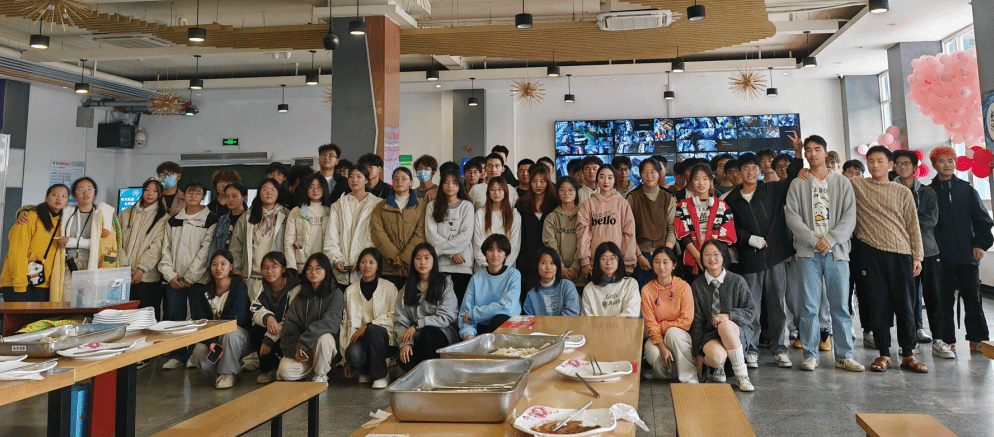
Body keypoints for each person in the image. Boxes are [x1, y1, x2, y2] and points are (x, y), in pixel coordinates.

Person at [784, 135, 864, 373]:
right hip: (807, 253)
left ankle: (844, 355)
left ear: (825, 153)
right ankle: (810, 355)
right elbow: (792, 217)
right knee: (808, 306)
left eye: (817, 149)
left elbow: (849, 217)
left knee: (840, 306)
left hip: (837, 253)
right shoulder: (798, 183)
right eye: (808, 150)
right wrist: (813, 240)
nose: (812, 154)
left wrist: (830, 239)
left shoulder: (842, 182)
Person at [725, 143, 804, 369]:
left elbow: (792, 178)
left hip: (775, 257)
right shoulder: (731, 199)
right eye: (745, 168)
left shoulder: (772, 190)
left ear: (760, 171)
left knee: (777, 304)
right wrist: (749, 238)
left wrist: (798, 153)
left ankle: (780, 349)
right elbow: (729, 228)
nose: (750, 172)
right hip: (749, 259)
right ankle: (751, 349)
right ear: (739, 172)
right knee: (752, 306)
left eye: (754, 168)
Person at [848, 146, 925, 373]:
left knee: (906, 305)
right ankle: (883, 353)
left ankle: (908, 354)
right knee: (877, 305)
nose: (875, 165)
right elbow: (829, 178)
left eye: (880, 161)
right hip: (870, 253)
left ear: (890, 164)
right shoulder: (857, 185)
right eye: (870, 161)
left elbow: (913, 225)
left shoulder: (902, 192)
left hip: (901, 253)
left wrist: (917, 256)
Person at [929, 146, 994, 356]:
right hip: (939, 256)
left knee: (973, 298)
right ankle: (946, 340)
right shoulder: (929, 192)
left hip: (967, 255)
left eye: (950, 160)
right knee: (943, 300)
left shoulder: (967, 190)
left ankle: (978, 339)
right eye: (941, 161)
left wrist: (980, 244)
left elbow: (983, 220)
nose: (947, 164)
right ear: (934, 165)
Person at [159, 182, 218, 370]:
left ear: (203, 197)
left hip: (199, 279)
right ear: (184, 195)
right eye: (190, 192)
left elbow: (206, 251)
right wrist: (170, 275)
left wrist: (191, 277)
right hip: (175, 280)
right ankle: (176, 355)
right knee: (174, 317)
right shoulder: (174, 220)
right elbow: (165, 249)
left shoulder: (211, 219)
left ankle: (193, 355)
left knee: (198, 317)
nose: (193, 196)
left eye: (198, 193)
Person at [690, 240, 755, 392]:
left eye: (716, 254)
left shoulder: (737, 281)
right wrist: (698, 353)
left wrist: (729, 315)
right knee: (716, 357)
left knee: (725, 326)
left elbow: (750, 311)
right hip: (711, 335)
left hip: (735, 331)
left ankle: (742, 376)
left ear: (723, 256)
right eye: (707, 254)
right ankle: (718, 366)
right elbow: (697, 321)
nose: (711, 258)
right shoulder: (697, 285)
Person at [893, 150, 941, 347]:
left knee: (933, 294)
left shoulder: (927, 192)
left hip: (927, 249)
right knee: (908, 295)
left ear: (914, 167)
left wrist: (908, 224)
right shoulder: (890, 190)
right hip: (902, 250)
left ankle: (939, 338)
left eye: (906, 163)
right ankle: (913, 331)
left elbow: (931, 220)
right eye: (898, 163)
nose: (902, 167)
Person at [277, 253, 345, 385]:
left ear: (327, 271)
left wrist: (303, 342)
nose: (313, 272)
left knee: (324, 337)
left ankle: (321, 374)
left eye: (318, 268)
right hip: (305, 349)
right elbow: (290, 326)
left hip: (326, 347)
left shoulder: (335, 293)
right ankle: (313, 370)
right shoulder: (300, 295)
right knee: (284, 371)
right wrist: (294, 351)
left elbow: (330, 323)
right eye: (309, 268)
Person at [188, 250, 252, 389]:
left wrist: (214, 338)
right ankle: (221, 372)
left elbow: (238, 318)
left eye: (223, 264)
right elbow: (199, 322)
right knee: (199, 351)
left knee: (229, 334)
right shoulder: (202, 293)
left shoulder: (239, 287)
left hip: (239, 337)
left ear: (231, 267)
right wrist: (212, 341)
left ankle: (227, 374)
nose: (218, 268)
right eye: (214, 264)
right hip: (212, 337)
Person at [57, 177, 124, 300]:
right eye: (81, 190)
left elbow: (102, 244)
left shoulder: (103, 216)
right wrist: (23, 213)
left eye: (90, 189)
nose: (86, 193)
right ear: (74, 194)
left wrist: (72, 242)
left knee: (88, 301)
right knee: (68, 300)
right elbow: (43, 209)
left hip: (92, 265)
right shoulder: (67, 212)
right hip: (70, 264)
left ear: (95, 193)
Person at [395, 243, 459, 371]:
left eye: (426, 258)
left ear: (434, 260)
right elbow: (400, 320)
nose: (422, 262)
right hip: (417, 337)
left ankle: (434, 374)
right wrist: (405, 344)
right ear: (413, 262)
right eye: (418, 258)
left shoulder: (445, 283)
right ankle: (426, 373)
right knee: (404, 359)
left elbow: (447, 315)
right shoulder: (407, 288)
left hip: (441, 334)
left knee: (428, 333)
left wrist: (417, 325)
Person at [340, 248, 399, 388]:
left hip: (384, 338)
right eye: (363, 262)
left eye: (371, 262)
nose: (367, 266)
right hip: (361, 339)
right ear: (358, 265)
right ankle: (365, 370)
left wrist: (368, 326)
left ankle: (381, 374)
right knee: (353, 354)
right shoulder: (350, 290)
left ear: (378, 266)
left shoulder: (389, 287)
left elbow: (395, 316)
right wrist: (345, 360)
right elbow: (345, 324)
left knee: (372, 331)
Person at [1, 184, 69, 302]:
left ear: (67, 201)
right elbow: (18, 252)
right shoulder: (29, 217)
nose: (59, 199)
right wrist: (20, 284)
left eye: (64, 196)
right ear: (46, 198)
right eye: (54, 195)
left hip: (44, 283)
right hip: (19, 283)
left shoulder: (65, 222)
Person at [641, 247, 695, 382]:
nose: (661, 267)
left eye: (665, 262)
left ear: (674, 264)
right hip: (657, 336)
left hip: (679, 335)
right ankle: (665, 376)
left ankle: (689, 377)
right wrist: (661, 346)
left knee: (672, 333)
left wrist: (662, 326)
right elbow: (650, 323)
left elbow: (686, 321)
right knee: (652, 353)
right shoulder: (647, 290)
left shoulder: (684, 287)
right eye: (657, 262)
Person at [119, 178, 169, 319]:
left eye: (154, 191)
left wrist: (141, 269)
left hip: (147, 279)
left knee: (146, 319)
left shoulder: (163, 218)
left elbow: (157, 247)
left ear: (160, 194)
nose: (150, 194)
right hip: (124, 277)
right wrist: (124, 268)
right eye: (147, 190)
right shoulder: (126, 214)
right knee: (125, 317)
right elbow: (117, 241)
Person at [230, 179, 289, 300]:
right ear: (259, 193)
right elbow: (236, 245)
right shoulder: (247, 216)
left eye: (273, 190)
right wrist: (236, 268)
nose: (269, 193)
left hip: (276, 276)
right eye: (265, 189)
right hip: (249, 276)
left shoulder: (287, 215)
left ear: (278, 193)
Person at [674, 164, 736, 278]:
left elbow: (727, 235)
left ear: (711, 181)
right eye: (696, 179)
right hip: (692, 260)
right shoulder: (682, 205)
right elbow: (683, 234)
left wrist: (710, 257)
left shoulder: (722, 205)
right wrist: (698, 256)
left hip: (717, 260)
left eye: (705, 179)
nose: (701, 183)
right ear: (691, 181)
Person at [324, 164, 381, 290]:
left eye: (359, 176)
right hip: (341, 270)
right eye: (351, 176)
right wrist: (336, 259)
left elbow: (376, 237)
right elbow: (331, 236)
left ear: (366, 180)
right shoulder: (338, 205)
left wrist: (362, 260)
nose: (354, 180)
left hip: (366, 269)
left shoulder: (377, 204)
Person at [249, 251, 301, 384]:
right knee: (256, 330)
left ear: (283, 269)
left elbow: (292, 318)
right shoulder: (258, 286)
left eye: (274, 267)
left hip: (288, 329)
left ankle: (286, 363)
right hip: (270, 326)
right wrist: (268, 317)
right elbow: (255, 309)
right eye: (265, 267)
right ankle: (268, 368)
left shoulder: (296, 287)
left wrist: (269, 338)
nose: (269, 271)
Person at [577, 164, 638, 279]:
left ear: (614, 180)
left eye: (610, 177)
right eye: (602, 177)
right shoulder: (588, 204)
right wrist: (585, 261)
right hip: (594, 263)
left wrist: (628, 263)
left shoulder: (622, 204)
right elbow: (583, 233)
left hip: (618, 263)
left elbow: (629, 234)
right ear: (597, 179)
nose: (606, 181)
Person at [425, 168, 475, 303]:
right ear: (441, 185)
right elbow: (431, 235)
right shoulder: (432, 206)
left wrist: (440, 249)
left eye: (454, 182)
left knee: (461, 306)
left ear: (460, 185)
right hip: (440, 266)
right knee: (440, 306)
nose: (450, 186)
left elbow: (465, 235)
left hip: (463, 265)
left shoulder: (467, 206)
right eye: (446, 182)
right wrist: (452, 254)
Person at [372, 167, 427, 289]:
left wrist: (405, 258)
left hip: (412, 265)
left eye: (403, 178)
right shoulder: (381, 206)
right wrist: (395, 257)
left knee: (410, 299)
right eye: (395, 179)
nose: (399, 182)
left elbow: (421, 234)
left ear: (411, 182)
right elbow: (377, 234)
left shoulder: (421, 206)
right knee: (389, 300)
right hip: (388, 266)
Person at [458, 234, 522, 340]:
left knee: (499, 319)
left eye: (500, 251)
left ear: (505, 255)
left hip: (506, 328)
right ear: (485, 253)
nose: (495, 255)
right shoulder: (476, 278)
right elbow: (465, 314)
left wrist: (474, 314)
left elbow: (508, 308)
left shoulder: (514, 275)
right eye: (491, 250)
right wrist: (468, 334)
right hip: (481, 328)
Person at [627, 157, 676, 288]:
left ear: (659, 173)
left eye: (653, 171)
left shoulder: (668, 197)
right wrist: (639, 256)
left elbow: (672, 228)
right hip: (640, 254)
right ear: (640, 174)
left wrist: (666, 253)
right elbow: (628, 231)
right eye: (645, 172)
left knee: (664, 292)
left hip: (663, 252)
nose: (649, 176)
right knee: (643, 293)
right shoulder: (633, 197)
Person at [515, 164, 557, 285]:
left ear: (548, 182)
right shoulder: (522, 203)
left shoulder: (555, 204)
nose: (538, 185)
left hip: (550, 260)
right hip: (527, 259)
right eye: (534, 181)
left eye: (542, 181)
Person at [543, 177, 586, 291]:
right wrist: (560, 266)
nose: (566, 193)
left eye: (570, 190)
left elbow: (584, 241)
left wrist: (575, 267)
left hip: (580, 275)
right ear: (557, 192)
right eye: (562, 190)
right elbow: (550, 244)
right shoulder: (551, 217)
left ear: (576, 192)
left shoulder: (583, 215)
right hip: (558, 274)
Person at [284, 174, 331, 273]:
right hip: (302, 266)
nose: (315, 190)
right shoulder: (296, 211)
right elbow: (289, 242)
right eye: (311, 187)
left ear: (324, 189)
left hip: (325, 265)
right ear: (305, 189)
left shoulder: (331, 211)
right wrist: (292, 268)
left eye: (319, 187)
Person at [473, 177, 521, 270]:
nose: (496, 193)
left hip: (506, 267)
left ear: (505, 192)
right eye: (492, 189)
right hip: (483, 267)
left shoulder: (514, 213)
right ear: (488, 192)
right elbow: (477, 242)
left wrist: (503, 265)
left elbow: (515, 243)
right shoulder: (480, 213)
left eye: (500, 189)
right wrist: (487, 265)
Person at [580, 242, 639, 317]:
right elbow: (586, 319)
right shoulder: (589, 289)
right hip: (596, 325)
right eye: (604, 258)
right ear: (598, 262)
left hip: (624, 325)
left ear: (619, 261)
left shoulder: (630, 284)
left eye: (612, 258)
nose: (608, 262)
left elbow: (631, 314)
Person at [522, 247, 580, 316]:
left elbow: (572, 313)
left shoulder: (567, 286)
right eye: (543, 263)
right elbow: (530, 320)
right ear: (537, 266)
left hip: (566, 323)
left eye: (552, 263)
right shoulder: (531, 295)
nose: (548, 267)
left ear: (557, 266)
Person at [209, 183, 248, 258]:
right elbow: (215, 245)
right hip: (222, 262)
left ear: (244, 198)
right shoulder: (222, 219)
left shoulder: (249, 219)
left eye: (234, 196)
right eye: (227, 196)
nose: (230, 200)